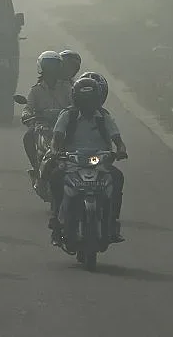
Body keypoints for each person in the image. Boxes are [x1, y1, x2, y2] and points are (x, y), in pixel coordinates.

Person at [47, 76, 128, 245]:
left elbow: (117, 137)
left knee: (117, 178)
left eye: (91, 100)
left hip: (99, 164)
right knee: (55, 177)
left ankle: (112, 222)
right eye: (84, 100)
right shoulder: (67, 115)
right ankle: (56, 219)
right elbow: (56, 138)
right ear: (76, 99)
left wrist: (121, 149)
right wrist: (55, 152)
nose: (88, 105)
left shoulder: (103, 117)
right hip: (71, 162)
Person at [21, 51, 71, 184]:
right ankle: (36, 168)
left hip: (65, 125)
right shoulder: (36, 90)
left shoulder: (67, 88)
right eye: (48, 66)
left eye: (54, 66)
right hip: (42, 125)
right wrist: (27, 116)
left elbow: (74, 105)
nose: (51, 70)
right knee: (28, 137)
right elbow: (27, 108)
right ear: (42, 68)